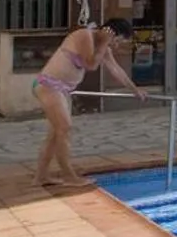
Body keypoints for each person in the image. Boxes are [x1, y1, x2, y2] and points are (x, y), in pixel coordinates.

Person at [34, 19, 145, 188]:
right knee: (64, 128)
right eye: (117, 40)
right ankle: (68, 176)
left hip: (62, 90)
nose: (115, 45)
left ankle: (41, 177)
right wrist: (105, 43)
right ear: (110, 33)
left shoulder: (103, 48)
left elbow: (116, 70)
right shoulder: (84, 35)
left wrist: (135, 90)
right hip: (49, 85)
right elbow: (91, 64)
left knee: (55, 134)